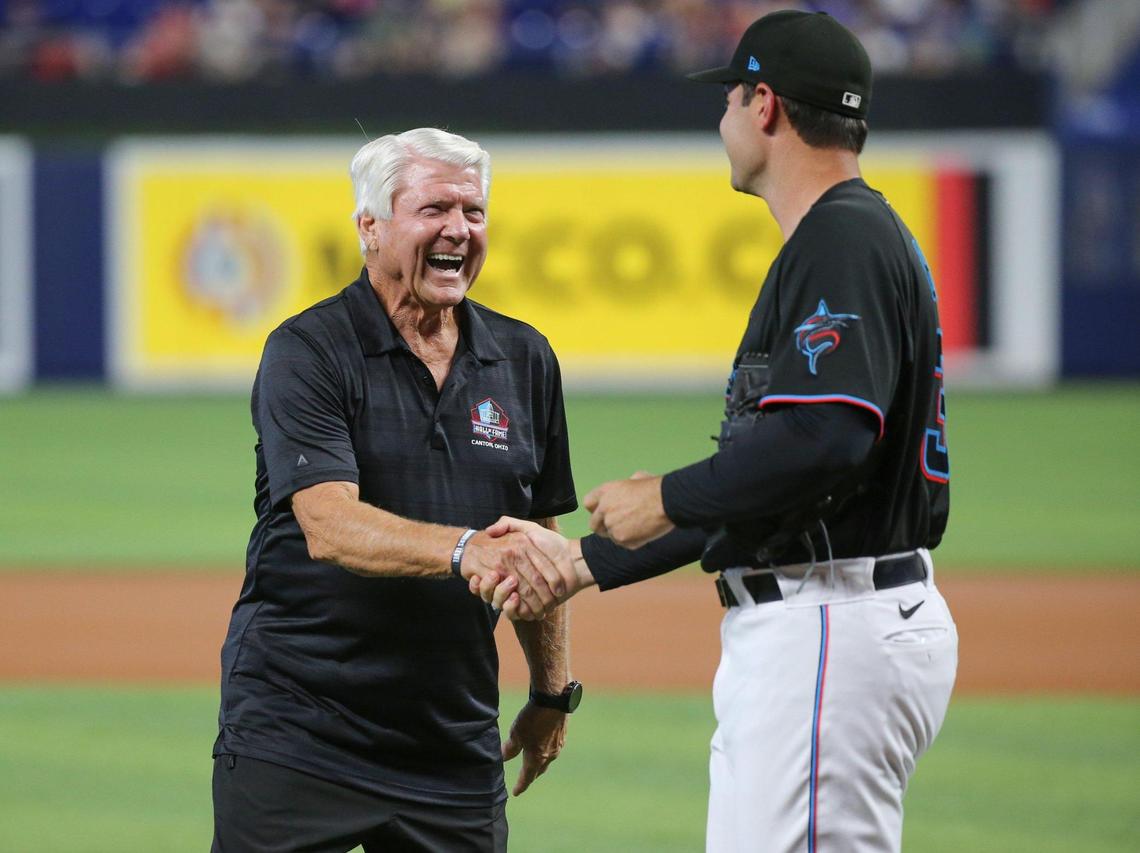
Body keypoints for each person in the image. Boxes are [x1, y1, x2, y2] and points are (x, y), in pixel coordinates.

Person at [478, 11, 958, 853]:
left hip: (828, 620)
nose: (724, 117)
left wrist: (660, 494)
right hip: (822, 616)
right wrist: (582, 561)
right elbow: (769, 480)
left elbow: (824, 442)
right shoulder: (846, 235)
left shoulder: (842, 234)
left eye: (731, 96)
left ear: (765, 104)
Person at [212, 127, 584, 853]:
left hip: (451, 741)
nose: (459, 229)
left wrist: (550, 691)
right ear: (370, 227)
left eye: (474, 212)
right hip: (298, 731)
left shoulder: (524, 357)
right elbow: (327, 521)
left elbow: (537, 545)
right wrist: (465, 549)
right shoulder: (310, 350)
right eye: (435, 208)